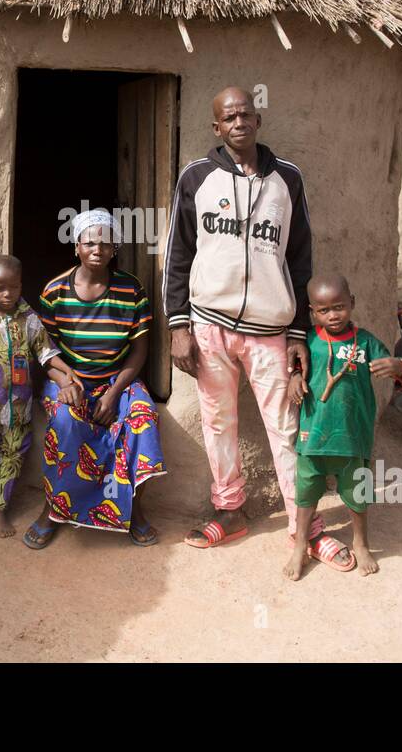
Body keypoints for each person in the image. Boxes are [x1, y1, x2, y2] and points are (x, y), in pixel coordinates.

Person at [163, 87, 326, 552]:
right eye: (228, 117)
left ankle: (305, 526)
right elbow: (178, 254)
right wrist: (178, 326)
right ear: (217, 128)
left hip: (271, 330)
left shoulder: (287, 179)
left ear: (258, 121)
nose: (238, 123)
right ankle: (229, 511)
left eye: (245, 115)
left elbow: (300, 258)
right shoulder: (197, 177)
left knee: (287, 428)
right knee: (218, 423)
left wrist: (298, 332)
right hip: (208, 324)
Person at [22, 209, 167, 549]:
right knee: (65, 422)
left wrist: (115, 393)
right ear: (76, 247)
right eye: (89, 242)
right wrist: (66, 381)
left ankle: (134, 509)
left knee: (143, 420)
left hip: (119, 380)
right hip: (69, 378)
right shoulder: (55, 291)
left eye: (105, 243)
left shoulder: (131, 290)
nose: (97, 249)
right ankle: (52, 511)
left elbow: (139, 351)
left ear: (115, 248)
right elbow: (45, 351)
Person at [285, 274, 402, 580]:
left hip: (353, 435)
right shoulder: (310, 341)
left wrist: (397, 366)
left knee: (357, 491)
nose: (332, 315)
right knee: (306, 491)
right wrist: (295, 379)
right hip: (313, 434)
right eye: (323, 310)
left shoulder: (365, 342)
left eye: (339, 307)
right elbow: (296, 368)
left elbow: (399, 371)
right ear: (312, 312)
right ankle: (300, 544)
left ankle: (361, 543)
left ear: (351, 303)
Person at [0, 254, 75, 539]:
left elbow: (45, 352)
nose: (8, 294)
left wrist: (67, 370)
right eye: (0, 288)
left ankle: (0, 509)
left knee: (11, 458)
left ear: (21, 286)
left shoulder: (30, 319)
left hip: (18, 408)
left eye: (14, 287)